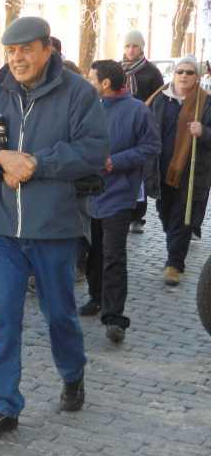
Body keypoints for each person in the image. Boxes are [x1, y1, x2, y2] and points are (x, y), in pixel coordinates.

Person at [0, 16, 108, 442]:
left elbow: (93, 150)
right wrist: (0, 159)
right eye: (11, 51)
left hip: (54, 228)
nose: (17, 58)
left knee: (59, 313)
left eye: (25, 49)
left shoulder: (78, 93)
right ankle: (4, 405)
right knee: (4, 318)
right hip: (3, 227)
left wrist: (36, 164)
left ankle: (73, 374)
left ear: (47, 50)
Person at [81, 60, 160, 343]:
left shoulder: (138, 110)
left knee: (114, 255)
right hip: (90, 193)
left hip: (119, 195)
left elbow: (151, 147)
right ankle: (96, 296)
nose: (87, 82)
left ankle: (114, 317)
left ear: (105, 83)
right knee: (93, 252)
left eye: (91, 78)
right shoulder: (89, 108)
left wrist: (116, 161)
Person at [145, 56, 211, 287]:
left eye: (189, 72)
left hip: (191, 172)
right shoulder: (160, 98)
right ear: (173, 74)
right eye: (180, 71)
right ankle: (174, 243)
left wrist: (204, 132)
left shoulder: (205, 103)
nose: (184, 76)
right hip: (161, 169)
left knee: (182, 217)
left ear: (197, 77)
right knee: (165, 212)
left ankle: (174, 264)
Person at [121, 30, 165, 235]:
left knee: (139, 170)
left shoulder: (152, 72)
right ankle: (123, 211)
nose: (131, 50)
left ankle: (138, 215)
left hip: (141, 125)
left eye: (135, 46)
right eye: (128, 46)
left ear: (141, 48)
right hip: (120, 125)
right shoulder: (117, 69)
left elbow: (159, 99)